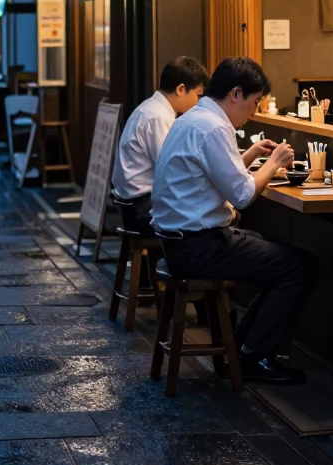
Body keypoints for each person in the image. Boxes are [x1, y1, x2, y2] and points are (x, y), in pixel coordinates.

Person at [151, 56, 319, 384]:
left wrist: (253, 153)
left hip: (179, 243)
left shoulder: (194, 118)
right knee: (300, 268)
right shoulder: (213, 127)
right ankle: (253, 355)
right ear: (236, 94)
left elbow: (216, 175)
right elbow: (242, 194)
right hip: (198, 247)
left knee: (273, 251)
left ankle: (242, 346)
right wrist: (274, 162)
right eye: (254, 103)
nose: (253, 111)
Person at [112, 56, 210, 235]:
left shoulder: (151, 108)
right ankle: (183, 261)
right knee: (209, 214)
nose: (198, 102)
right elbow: (173, 169)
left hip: (135, 204)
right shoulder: (159, 117)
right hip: (143, 209)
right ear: (181, 89)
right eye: (198, 95)